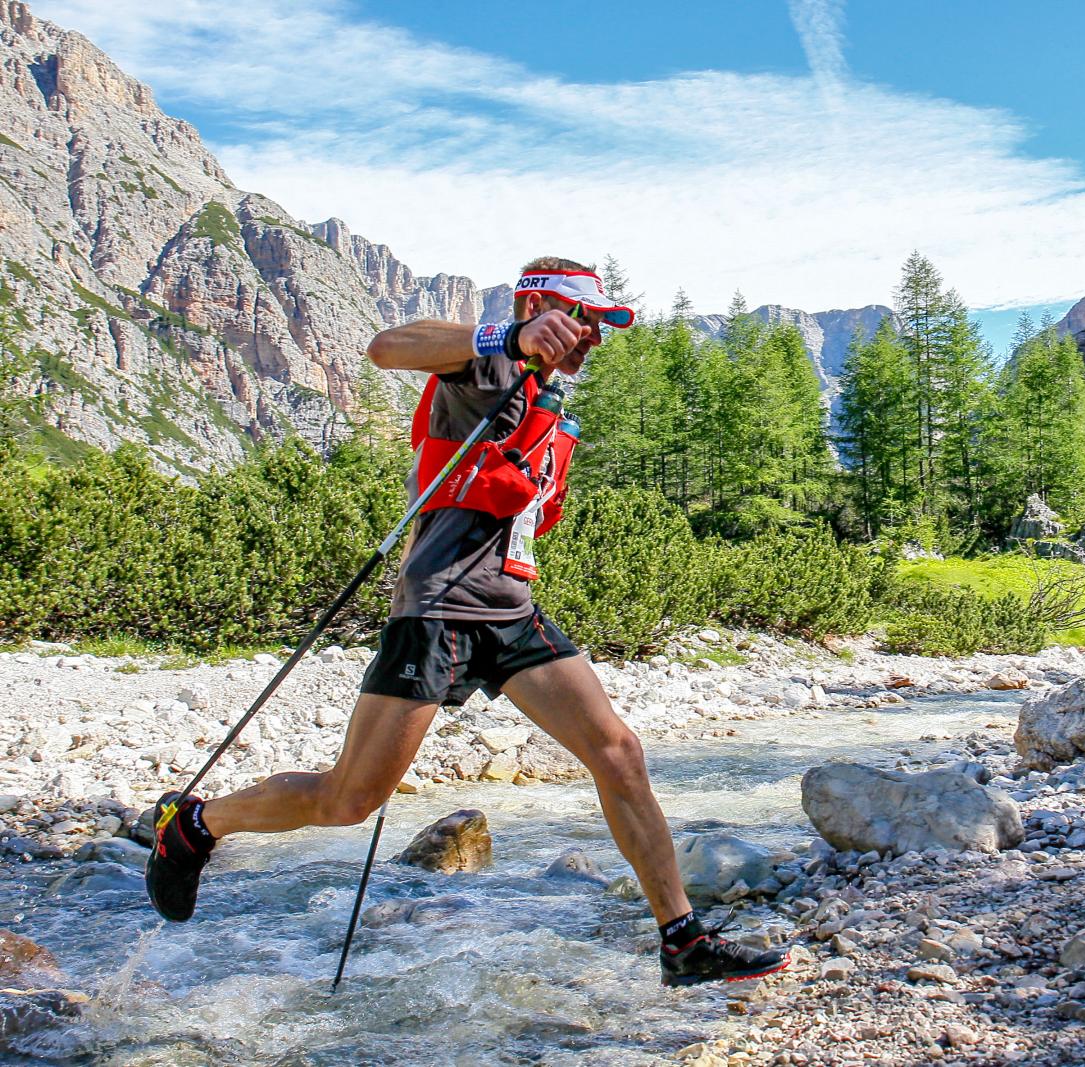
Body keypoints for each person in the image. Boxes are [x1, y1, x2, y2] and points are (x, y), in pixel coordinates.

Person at [144, 257, 790, 988]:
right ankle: (194, 827)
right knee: (349, 798)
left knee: (619, 752)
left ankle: (682, 941)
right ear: (544, 308)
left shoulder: (549, 398)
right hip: (439, 607)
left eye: (603, 326)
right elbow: (387, 346)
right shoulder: (483, 365)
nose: (595, 340)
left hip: (509, 609)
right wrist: (508, 338)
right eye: (587, 322)